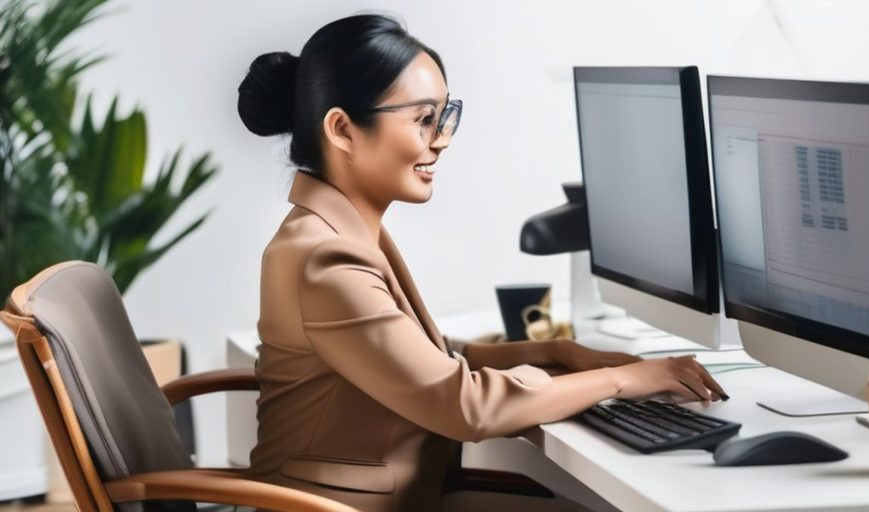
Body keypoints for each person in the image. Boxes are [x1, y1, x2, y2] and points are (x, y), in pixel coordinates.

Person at [237, 14, 727, 512]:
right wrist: (622, 379)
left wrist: (556, 354)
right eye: (423, 119)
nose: (442, 139)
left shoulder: (336, 232)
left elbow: (424, 357)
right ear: (342, 129)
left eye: (446, 116)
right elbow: (464, 407)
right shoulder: (326, 258)